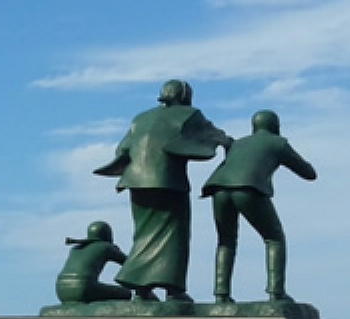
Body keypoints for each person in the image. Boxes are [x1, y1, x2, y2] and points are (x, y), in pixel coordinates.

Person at [94, 80, 232, 302]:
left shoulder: (140, 118)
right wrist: (227, 142)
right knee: (175, 234)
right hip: (168, 181)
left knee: (142, 234)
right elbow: (211, 134)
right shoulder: (190, 114)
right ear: (185, 95)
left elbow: (123, 148)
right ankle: (173, 290)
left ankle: (140, 290)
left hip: (135, 181)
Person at [201, 110, 316, 303]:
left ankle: (221, 294)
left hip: (218, 189)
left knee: (226, 241)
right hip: (248, 188)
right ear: (276, 127)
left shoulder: (238, 143)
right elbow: (309, 173)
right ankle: (276, 292)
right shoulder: (278, 143)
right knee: (274, 238)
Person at [55, 221, 131, 303]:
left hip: (60, 290)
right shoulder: (106, 247)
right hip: (84, 288)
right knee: (126, 293)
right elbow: (129, 263)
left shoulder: (75, 248)